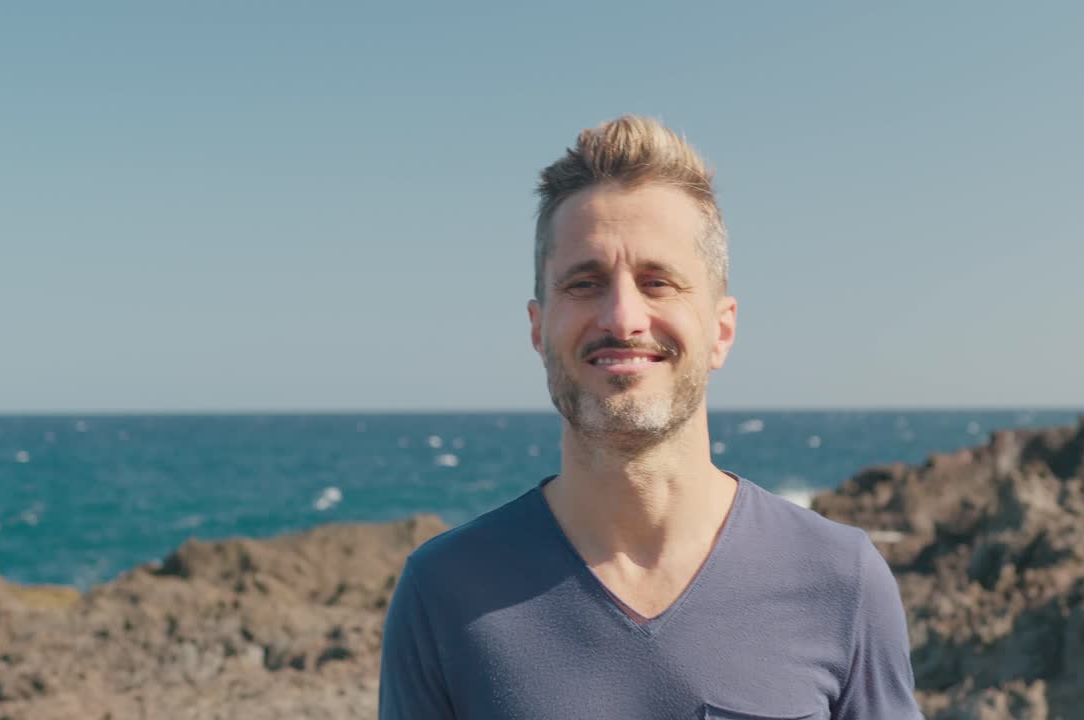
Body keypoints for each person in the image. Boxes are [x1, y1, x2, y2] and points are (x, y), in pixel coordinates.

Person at [379, 115, 921, 719]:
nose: (623, 317)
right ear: (538, 328)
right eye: (585, 283)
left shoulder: (841, 580)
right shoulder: (443, 593)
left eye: (658, 282)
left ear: (722, 329)